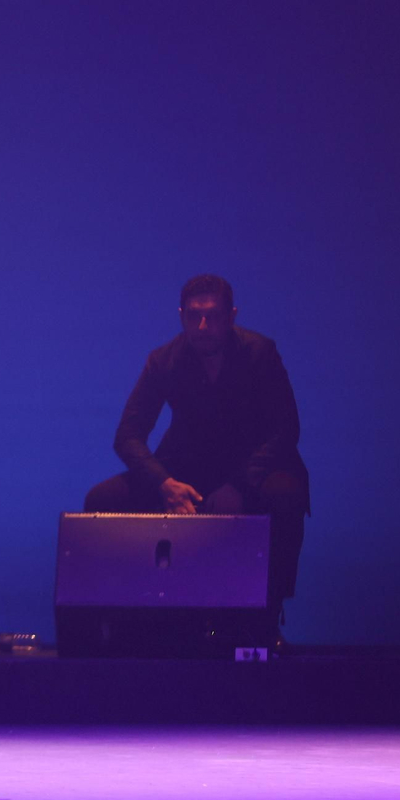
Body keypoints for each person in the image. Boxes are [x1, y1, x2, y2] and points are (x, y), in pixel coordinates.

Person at [85, 274, 310, 642]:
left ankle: (267, 618)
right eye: (194, 316)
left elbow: (286, 429)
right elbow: (127, 436)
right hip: (187, 470)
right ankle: (121, 623)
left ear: (232, 316)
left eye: (213, 316)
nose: (203, 326)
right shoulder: (164, 360)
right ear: (181, 316)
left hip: (252, 466)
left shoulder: (260, 352)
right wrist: (164, 483)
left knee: (285, 493)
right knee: (102, 500)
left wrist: (240, 485)